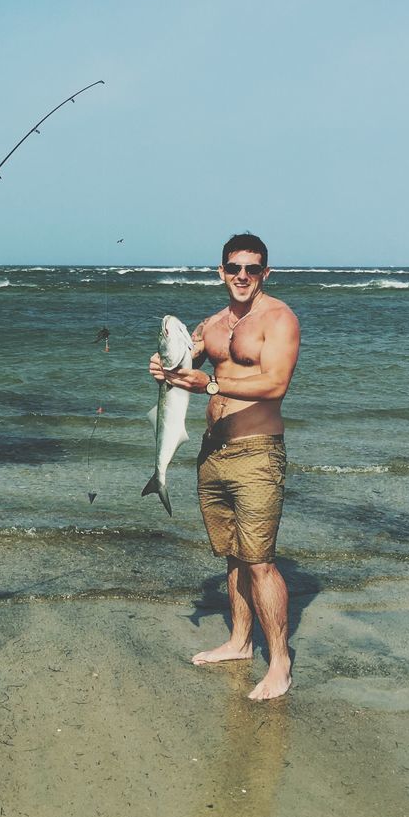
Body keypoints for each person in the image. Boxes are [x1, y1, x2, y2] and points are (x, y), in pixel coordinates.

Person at [148, 232, 300, 700]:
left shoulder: (278, 319)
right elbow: (184, 360)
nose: (241, 276)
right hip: (212, 453)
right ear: (220, 271)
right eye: (234, 267)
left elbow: (275, 384)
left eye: (251, 269)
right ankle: (238, 642)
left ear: (265, 274)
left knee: (260, 563)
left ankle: (280, 664)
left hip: (257, 452)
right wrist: (164, 366)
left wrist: (210, 387)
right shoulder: (211, 324)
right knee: (231, 556)